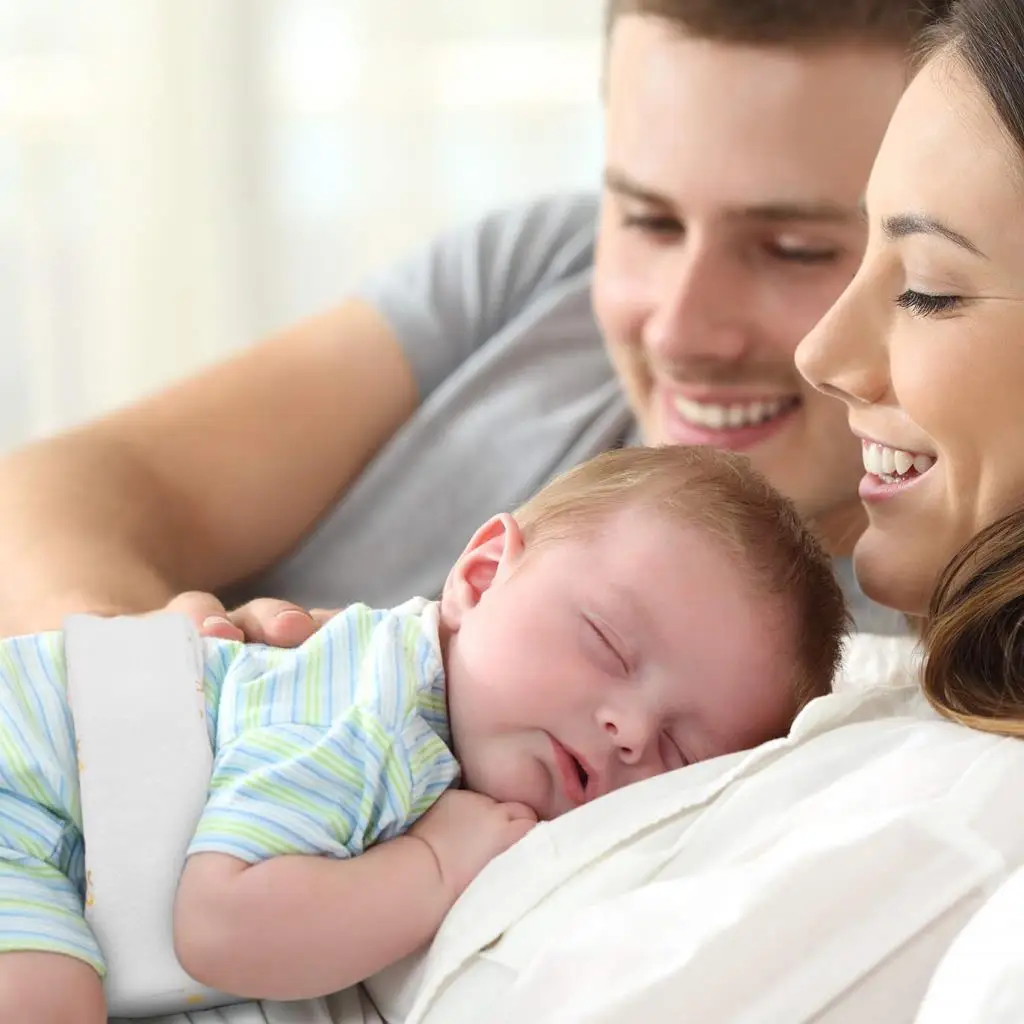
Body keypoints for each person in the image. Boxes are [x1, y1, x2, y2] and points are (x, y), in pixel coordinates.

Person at [382, 1, 1024, 1019]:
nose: (821, 354)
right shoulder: (893, 698)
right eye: (647, 220)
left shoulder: (959, 820)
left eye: (927, 290)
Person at [0, 0, 944, 649]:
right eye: (649, 221)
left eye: (793, 249)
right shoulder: (544, 268)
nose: (679, 333)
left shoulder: (920, 675)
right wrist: (143, 679)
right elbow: (60, 492)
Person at [0, 446, 849, 1020]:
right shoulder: (374, 716)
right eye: (607, 644)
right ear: (480, 576)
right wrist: (435, 866)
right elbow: (221, 926)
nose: (628, 729)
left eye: (682, 750)